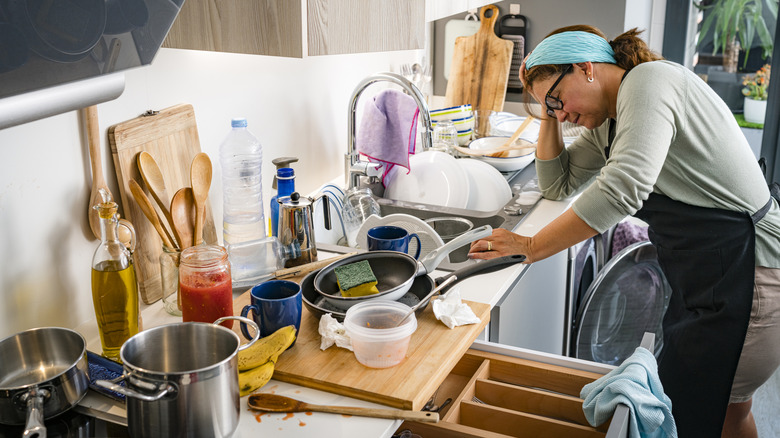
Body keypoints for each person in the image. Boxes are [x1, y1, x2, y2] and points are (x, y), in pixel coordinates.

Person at [468, 25, 780, 437]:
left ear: (586, 68)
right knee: (715, 409)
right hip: (712, 277)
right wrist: (547, 108)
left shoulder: (651, 82)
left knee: (720, 413)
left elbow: (624, 188)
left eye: (559, 100)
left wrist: (531, 246)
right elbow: (556, 184)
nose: (560, 113)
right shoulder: (609, 124)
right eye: (551, 108)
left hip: (753, 275)